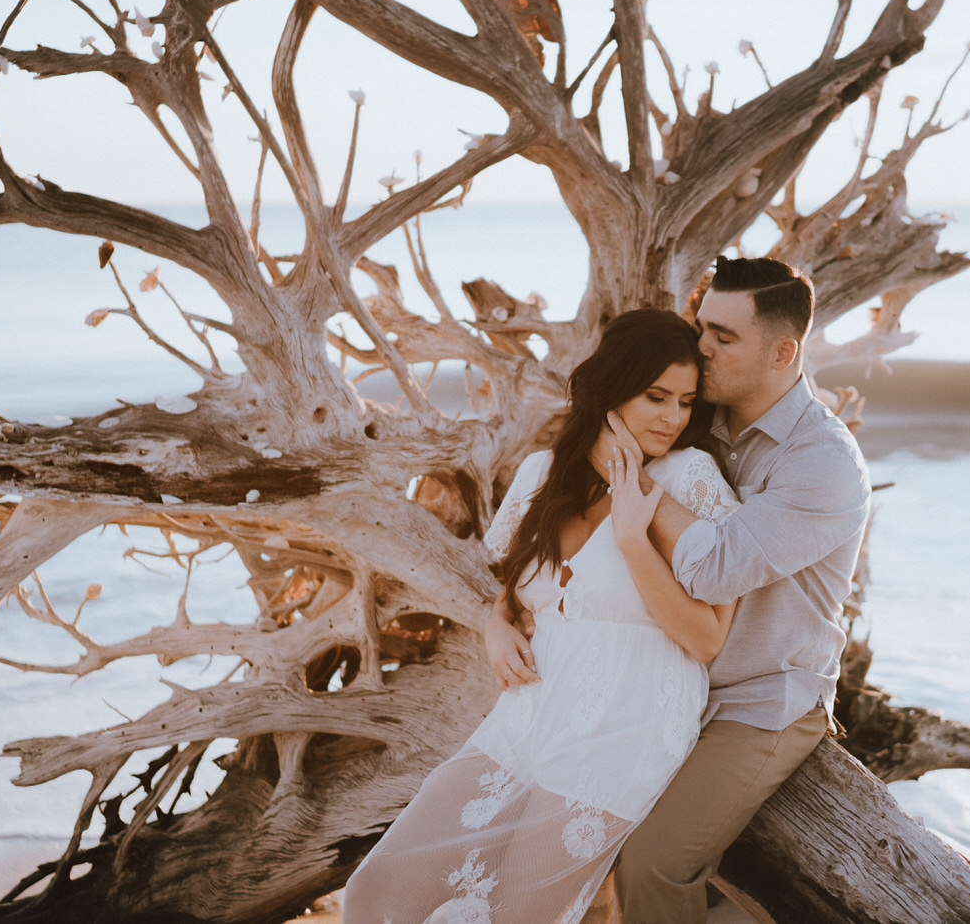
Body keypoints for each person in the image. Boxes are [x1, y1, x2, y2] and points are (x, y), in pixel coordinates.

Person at [494, 255, 872, 922]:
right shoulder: (696, 421)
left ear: (784, 351)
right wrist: (493, 616)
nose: (701, 347)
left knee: (654, 859)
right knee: (565, 841)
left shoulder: (824, 463)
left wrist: (633, 479)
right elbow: (548, 552)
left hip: (758, 700)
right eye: (703, 326)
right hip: (655, 683)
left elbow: (715, 566)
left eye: (724, 336)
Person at [343, 308, 741, 924]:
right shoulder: (541, 474)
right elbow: (511, 591)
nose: (672, 417)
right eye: (655, 396)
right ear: (611, 391)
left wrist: (636, 539)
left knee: (518, 915)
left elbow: (707, 637)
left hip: (627, 726)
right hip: (530, 717)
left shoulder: (691, 479)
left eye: (687, 401)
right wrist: (494, 626)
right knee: (379, 891)